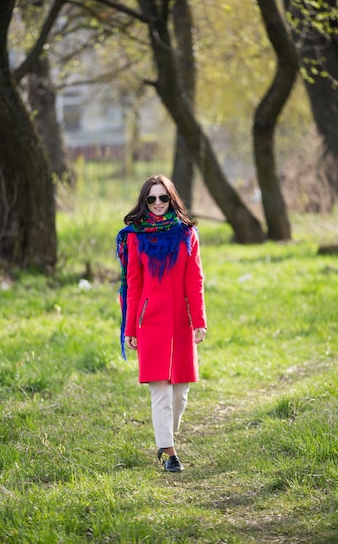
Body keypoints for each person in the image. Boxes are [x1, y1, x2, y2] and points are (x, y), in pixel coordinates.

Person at [116, 175, 206, 473]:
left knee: (180, 393)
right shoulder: (134, 236)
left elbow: (195, 280)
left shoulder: (187, 234)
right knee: (161, 392)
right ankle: (169, 453)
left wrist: (199, 321)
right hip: (149, 320)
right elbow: (132, 284)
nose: (157, 204)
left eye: (162, 198)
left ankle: (167, 432)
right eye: (151, 199)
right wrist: (129, 328)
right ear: (144, 202)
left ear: (171, 200)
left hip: (181, 320)